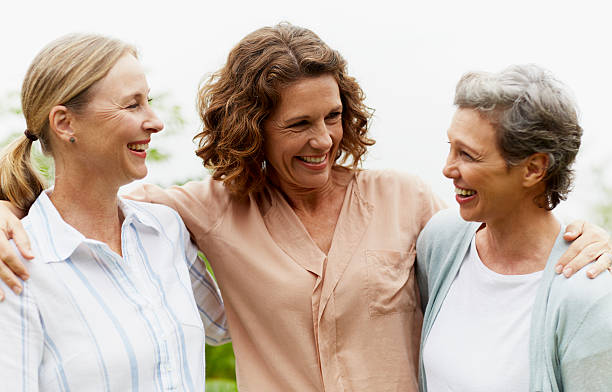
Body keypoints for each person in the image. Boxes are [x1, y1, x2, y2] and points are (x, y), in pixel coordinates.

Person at [0, 25, 610, 391]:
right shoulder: (201, 212)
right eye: (297, 124)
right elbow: (82, 204)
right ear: (253, 129)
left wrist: (588, 234)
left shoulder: (412, 203)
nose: (323, 139)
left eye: (333, 116)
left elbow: (504, 245)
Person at [0, 34, 228, 391]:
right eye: (132, 105)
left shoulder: (166, 229)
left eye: (148, 102)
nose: (155, 121)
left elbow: (226, 324)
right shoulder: (16, 267)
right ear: (64, 123)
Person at [416, 65, 612, 391]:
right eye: (450, 147)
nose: (448, 168)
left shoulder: (589, 297)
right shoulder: (441, 241)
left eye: (467, 155)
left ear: (533, 168)